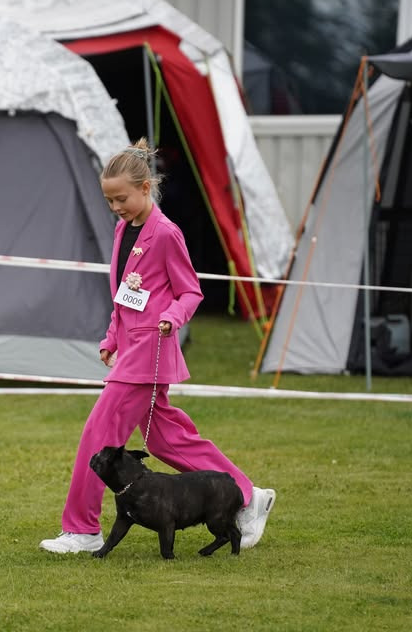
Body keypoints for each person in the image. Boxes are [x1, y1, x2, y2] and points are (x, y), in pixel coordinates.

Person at [39, 138, 275, 554]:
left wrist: (172, 317)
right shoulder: (121, 230)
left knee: (99, 434)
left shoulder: (167, 233)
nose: (116, 207)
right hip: (129, 352)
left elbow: (190, 292)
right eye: (110, 200)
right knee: (168, 441)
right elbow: (124, 294)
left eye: (122, 198)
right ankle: (246, 493)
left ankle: (82, 529)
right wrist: (113, 335)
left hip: (150, 354)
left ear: (146, 188)